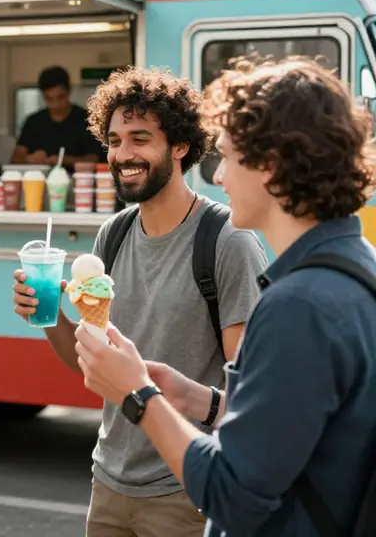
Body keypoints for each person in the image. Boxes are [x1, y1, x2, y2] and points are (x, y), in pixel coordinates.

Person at [74, 56, 376, 536]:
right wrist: (198, 399)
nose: (218, 177)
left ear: (271, 166)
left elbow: (233, 494)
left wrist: (140, 396)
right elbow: (289, 419)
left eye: (230, 156)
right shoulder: (354, 268)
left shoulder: (300, 304)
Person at [12, 67, 266, 537]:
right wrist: (47, 316)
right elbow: (91, 366)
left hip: (186, 489)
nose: (122, 155)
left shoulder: (228, 240)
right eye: (113, 140)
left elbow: (249, 393)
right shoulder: (114, 233)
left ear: (180, 146)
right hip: (108, 481)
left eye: (139, 138)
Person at [10, 65, 104, 169]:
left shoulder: (88, 120)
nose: (56, 104)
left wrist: (63, 160)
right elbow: (15, 158)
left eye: (60, 97)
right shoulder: (33, 122)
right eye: (49, 99)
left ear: (69, 91)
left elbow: (95, 159)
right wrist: (30, 159)